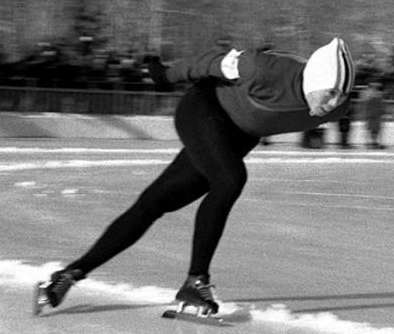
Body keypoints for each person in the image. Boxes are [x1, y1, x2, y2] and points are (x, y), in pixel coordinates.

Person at [36, 38, 355, 315]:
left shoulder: (337, 109)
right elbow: (211, 63)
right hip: (205, 108)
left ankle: (68, 275)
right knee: (230, 180)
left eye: (339, 98)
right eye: (328, 94)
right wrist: (165, 75)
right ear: (314, 79)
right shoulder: (265, 69)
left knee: (154, 202)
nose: (332, 104)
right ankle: (195, 281)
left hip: (235, 135)